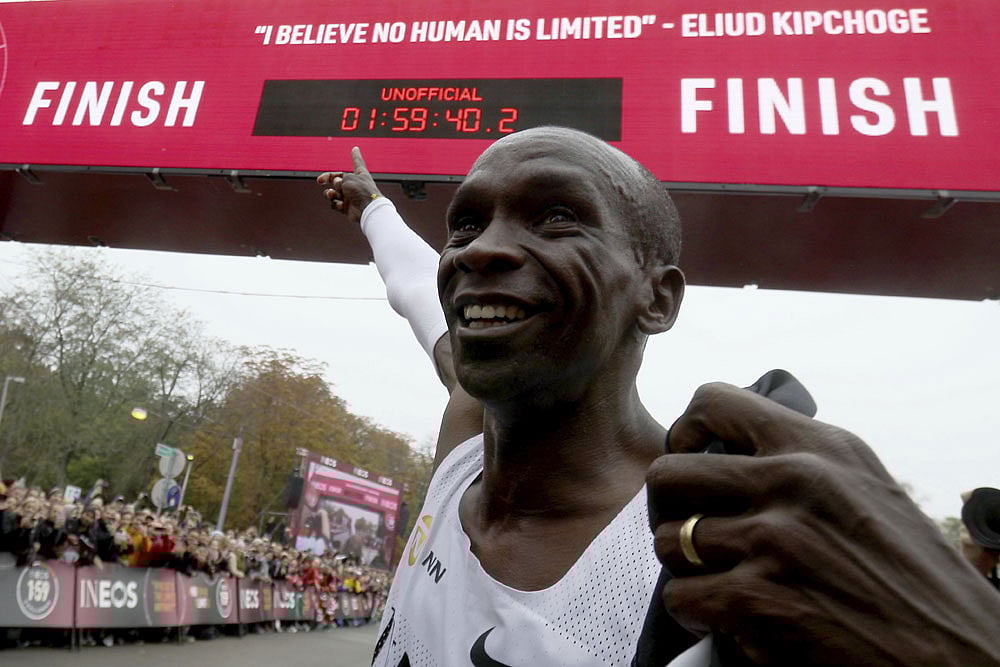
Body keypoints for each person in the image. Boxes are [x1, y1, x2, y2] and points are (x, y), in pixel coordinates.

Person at [319, 128, 1000, 666]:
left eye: (556, 217)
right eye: (465, 223)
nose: (480, 250)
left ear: (658, 296)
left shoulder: (712, 566)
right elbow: (415, 292)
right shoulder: (463, 446)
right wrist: (374, 208)